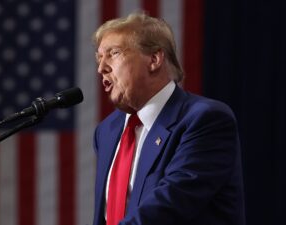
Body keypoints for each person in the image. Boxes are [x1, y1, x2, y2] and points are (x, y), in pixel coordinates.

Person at [92, 12, 245, 225]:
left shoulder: (204, 120)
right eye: (99, 58)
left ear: (154, 59)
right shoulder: (107, 131)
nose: (101, 68)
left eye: (114, 53)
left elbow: (171, 204)